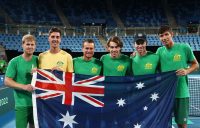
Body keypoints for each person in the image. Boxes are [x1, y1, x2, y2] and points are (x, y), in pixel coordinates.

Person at [156, 25, 199, 128]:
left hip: (181, 93)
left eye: (166, 34)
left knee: (182, 124)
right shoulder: (159, 51)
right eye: (161, 36)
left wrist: (187, 70)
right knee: (164, 122)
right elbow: (153, 66)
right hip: (166, 94)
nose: (164, 37)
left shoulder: (184, 47)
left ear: (172, 34)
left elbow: (196, 64)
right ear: (159, 38)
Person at [4, 34, 38, 128]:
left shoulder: (39, 60)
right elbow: (7, 81)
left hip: (37, 102)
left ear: (35, 46)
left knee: (34, 126)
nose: (30, 47)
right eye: (28, 44)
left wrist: (38, 72)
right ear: (22, 45)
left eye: (32, 44)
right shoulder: (14, 62)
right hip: (21, 104)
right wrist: (24, 87)